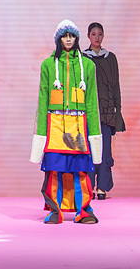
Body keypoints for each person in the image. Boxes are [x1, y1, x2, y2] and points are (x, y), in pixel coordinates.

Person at [31, 21, 102, 224]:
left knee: (80, 171)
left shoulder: (88, 66)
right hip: (55, 126)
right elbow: (43, 101)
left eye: (72, 36)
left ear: (77, 38)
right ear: (59, 39)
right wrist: (41, 133)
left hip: (78, 127)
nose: (68, 39)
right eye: (64, 36)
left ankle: (84, 211)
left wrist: (93, 133)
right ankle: (55, 211)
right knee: (54, 169)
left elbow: (92, 102)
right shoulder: (47, 65)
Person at [83, 22, 124, 200]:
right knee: (89, 149)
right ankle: (88, 186)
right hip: (89, 111)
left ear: (103, 36)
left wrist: (117, 111)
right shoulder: (82, 58)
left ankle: (102, 187)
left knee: (105, 150)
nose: (97, 37)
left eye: (100, 34)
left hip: (107, 112)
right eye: (94, 34)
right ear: (88, 36)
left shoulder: (111, 58)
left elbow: (116, 86)